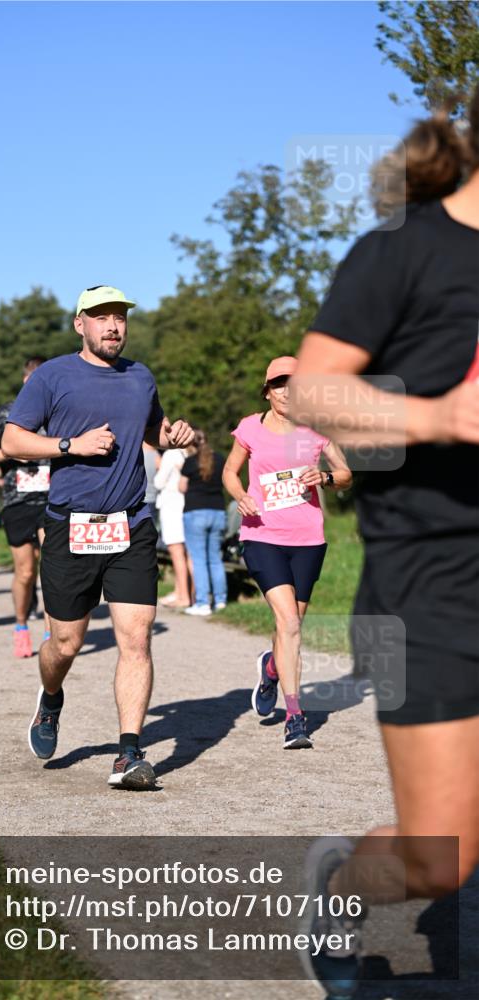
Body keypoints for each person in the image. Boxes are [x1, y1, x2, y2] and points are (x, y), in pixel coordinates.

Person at [288, 90, 479, 997]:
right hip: (422, 580)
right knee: (438, 859)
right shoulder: (403, 248)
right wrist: (436, 414)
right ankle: (340, 885)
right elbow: (315, 390)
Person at [1, 285, 194, 789]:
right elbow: (12, 440)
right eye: (102, 317)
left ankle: (129, 753)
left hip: (131, 523)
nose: (113, 326)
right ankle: (50, 700)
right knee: (65, 644)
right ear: (79, 324)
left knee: (136, 639)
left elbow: (152, 429)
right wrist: (71, 445)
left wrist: (170, 435)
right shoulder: (52, 376)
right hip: (71, 525)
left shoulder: (140, 376)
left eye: (120, 317)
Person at [223, 356, 351, 749]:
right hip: (262, 535)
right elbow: (230, 471)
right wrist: (241, 495)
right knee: (289, 623)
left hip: (308, 539)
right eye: (279, 384)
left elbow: (346, 475)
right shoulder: (250, 427)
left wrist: (326, 478)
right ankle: (295, 715)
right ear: (267, 390)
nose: (286, 391)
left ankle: (272, 667)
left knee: (292, 625)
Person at [0, 357, 52, 658]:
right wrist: (11, 451)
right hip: (17, 501)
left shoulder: (60, 410)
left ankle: (51, 633)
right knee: (25, 572)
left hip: (53, 499)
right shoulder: (6, 413)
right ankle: (21, 625)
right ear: (25, 382)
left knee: (52, 569)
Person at [179, 429, 228, 616]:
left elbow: (181, 486)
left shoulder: (190, 462)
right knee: (215, 558)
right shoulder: (220, 459)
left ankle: (202, 602)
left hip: (195, 511)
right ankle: (221, 600)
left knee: (198, 559)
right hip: (217, 511)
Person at [154, 445, 193, 608]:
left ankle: (183, 596)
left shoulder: (170, 454)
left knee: (176, 552)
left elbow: (158, 482)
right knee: (188, 553)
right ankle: (187, 593)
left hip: (171, 505)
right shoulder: (190, 453)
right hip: (188, 504)